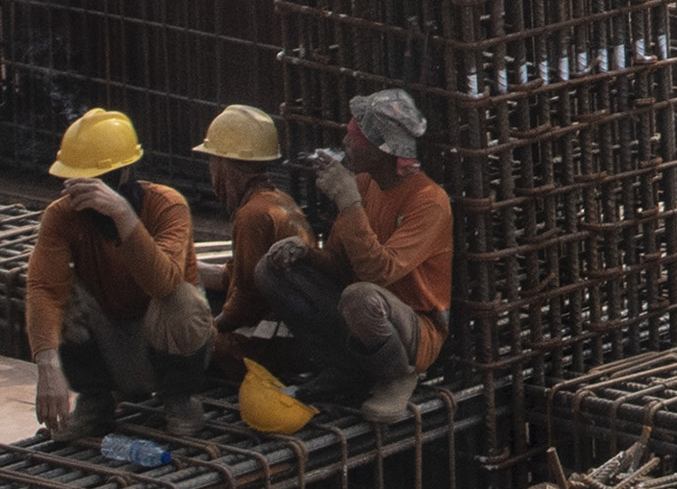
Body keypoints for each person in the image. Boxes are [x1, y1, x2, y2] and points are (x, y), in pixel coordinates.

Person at [257, 89, 450, 425]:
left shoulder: (429, 201)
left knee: (360, 297)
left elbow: (379, 273)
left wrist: (349, 204)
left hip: (413, 329)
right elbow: (339, 264)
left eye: (355, 136)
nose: (346, 140)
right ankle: (343, 370)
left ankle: (397, 377)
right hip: (362, 312)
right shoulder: (364, 183)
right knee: (270, 270)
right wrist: (304, 253)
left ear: (382, 150)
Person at [24, 109, 215, 441]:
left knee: (182, 300)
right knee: (61, 297)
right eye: (75, 180)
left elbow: (163, 282)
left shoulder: (167, 206)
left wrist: (123, 215)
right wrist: (47, 364)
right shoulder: (62, 217)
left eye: (95, 181)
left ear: (125, 173)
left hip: (162, 347)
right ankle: (96, 401)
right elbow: (42, 287)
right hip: (113, 346)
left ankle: (181, 399)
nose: (82, 194)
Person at [191, 104, 315, 381]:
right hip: (298, 335)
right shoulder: (278, 201)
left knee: (178, 344)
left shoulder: (252, 215)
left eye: (212, 161)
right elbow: (238, 276)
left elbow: (247, 300)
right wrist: (190, 267)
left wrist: (211, 329)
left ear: (225, 165)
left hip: (272, 346)